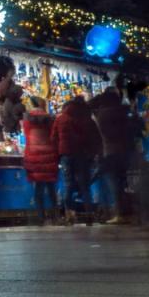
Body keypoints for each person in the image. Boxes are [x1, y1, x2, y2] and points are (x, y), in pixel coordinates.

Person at [90, 77, 139, 224]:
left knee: (114, 184)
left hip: (110, 152)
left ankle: (120, 213)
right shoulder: (123, 112)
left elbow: (101, 134)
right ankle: (127, 212)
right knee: (121, 182)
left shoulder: (103, 115)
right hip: (125, 151)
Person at [52, 95, 101, 225]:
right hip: (83, 155)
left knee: (68, 184)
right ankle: (89, 215)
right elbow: (95, 138)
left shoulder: (60, 119)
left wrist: (58, 153)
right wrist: (93, 154)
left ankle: (70, 215)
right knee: (85, 186)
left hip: (66, 155)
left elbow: (54, 138)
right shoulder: (87, 119)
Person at [22, 96, 59, 225]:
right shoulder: (51, 119)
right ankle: (56, 215)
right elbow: (54, 136)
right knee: (51, 188)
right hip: (49, 155)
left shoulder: (27, 120)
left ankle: (40, 217)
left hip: (34, 156)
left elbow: (27, 135)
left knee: (38, 189)